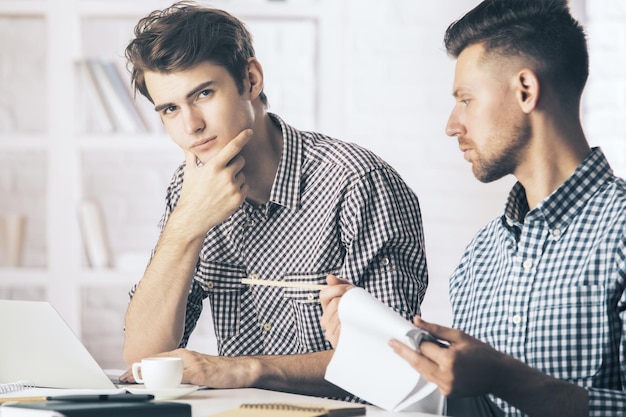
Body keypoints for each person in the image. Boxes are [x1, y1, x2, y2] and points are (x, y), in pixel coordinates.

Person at [321, 0, 626, 415]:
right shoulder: (478, 259)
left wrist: (507, 379)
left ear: (525, 90)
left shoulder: (621, 232)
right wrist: (377, 355)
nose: (451, 125)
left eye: (465, 99)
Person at [119, 1, 428, 400]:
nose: (191, 125)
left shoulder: (357, 182)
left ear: (250, 79)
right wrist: (186, 225)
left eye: (204, 94)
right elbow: (144, 357)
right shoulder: (189, 187)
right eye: (170, 109)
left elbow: (392, 358)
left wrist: (248, 369)